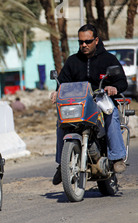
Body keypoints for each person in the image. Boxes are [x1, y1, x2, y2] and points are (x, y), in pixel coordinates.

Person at [50, 24, 128, 185]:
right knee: (61, 122)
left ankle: (116, 157)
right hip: (79, 102)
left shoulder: (108, 59)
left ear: (96, 40)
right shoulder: (72, 61)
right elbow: (63, 82)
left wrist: (114, 87)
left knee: (111, 113)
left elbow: (122, 82)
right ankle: (61, 164)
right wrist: (57, 91)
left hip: (101, 99)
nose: (84, 45)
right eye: (81, 42)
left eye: (88, 41)